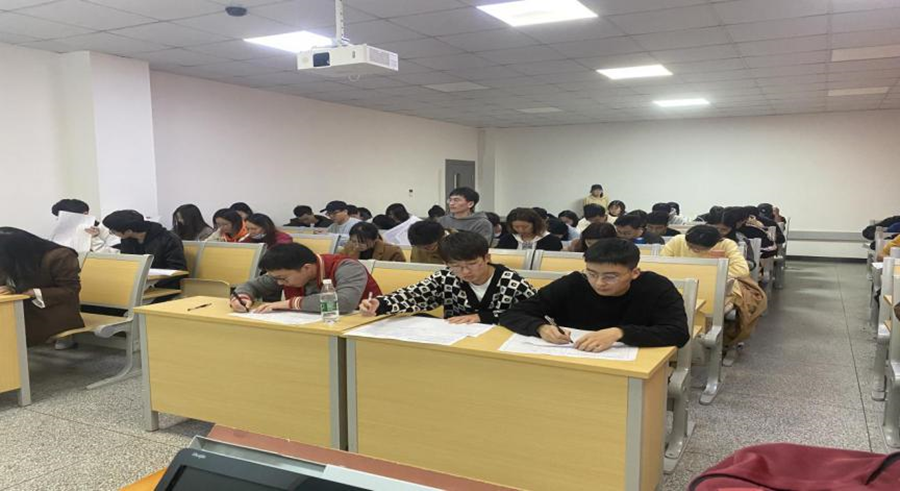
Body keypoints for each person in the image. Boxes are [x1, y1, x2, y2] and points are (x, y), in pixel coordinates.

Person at [500, 238, 689, 352]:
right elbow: (513, 313)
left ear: (634, 273)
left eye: (610, 276)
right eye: (592, 273)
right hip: (573, 358)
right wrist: (540, 327)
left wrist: (619, 333)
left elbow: (678, 333)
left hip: (632, 367)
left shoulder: (657, 287)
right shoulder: (574, 283)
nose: (599, 283)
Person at [359, 232, 536, 324]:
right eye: (456, 266)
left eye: (472, 264)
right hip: (454, 340)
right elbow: (414, 295)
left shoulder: (511, 282)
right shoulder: (446, 277)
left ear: (487, 258)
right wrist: (380, 304)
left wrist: (484, 317)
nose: (465, 272)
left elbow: (535, 314)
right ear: (446, 263)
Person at [662, 225, 766, 347]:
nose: (692, 250)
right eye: (690, 246)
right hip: (681, 288)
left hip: (715, 288)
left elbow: (741, 270)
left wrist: (709, 274)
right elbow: (662, 263)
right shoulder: (678, 241)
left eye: (698, 249)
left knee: (703, 311)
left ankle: (698, 343)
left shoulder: (726, 245)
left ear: (714, 244)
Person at [231, 243, 381, 314]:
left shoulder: (347, 267)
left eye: (283, 279)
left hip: (355, 328)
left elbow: (344, 303)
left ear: (306, 268)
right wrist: (241, 298)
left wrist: (288, 303)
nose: (279, 283)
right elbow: (251, 286)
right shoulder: (284, 272)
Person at [0, 227, 84, 347]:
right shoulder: (13, 256)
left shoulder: (60, 256)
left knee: (9, 331)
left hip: (53, 310)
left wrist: (31, 293)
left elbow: (70, 290)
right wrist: (11, 289)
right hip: (21, 307)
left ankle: (12, 357)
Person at [103, 210, 188, 273]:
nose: (111, 233)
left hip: (163, 284)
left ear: (128, 231)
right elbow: (128, 264)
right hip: (140, 283)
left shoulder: (168, 238)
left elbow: (178, 269)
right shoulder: (127, 240)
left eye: (113, 231)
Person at [50, 198, 119, 253]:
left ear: (85, 214)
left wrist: (95, 239)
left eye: (67, 217)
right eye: (59, 218)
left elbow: (116, 255)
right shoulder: (63, 232)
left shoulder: (106, 229)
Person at [496, 207, 563, 251]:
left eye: (525, 227)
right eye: (516, 227)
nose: (521, 230)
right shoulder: (507, 239)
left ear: (535, 224)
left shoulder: (551, 240)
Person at [339, 222, 406, 262]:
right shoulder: (349, 247)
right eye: (354, 241)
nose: (357, 245)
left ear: (375, 239)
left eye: (362, 242)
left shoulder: (392, 251)